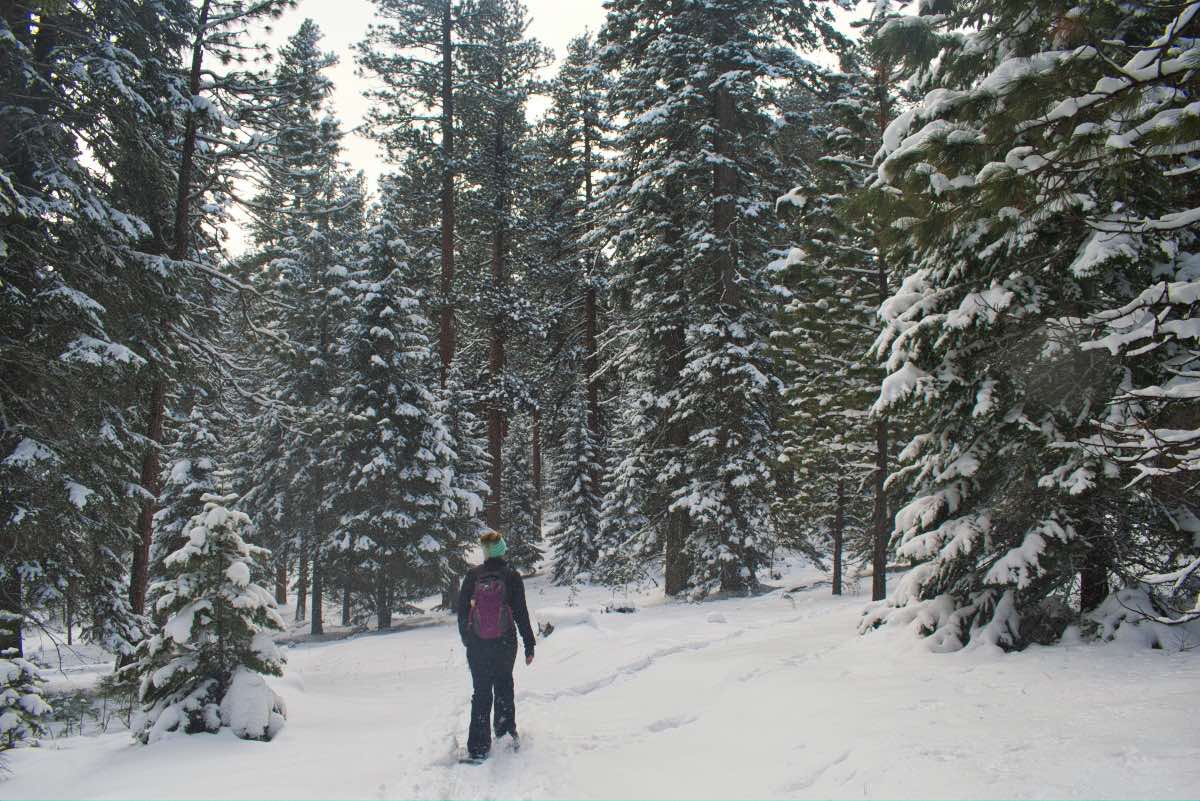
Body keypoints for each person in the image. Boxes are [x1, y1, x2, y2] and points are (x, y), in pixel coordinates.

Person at [457, 528, 535, 761]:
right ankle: (505, 736)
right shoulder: (511, 575)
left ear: (485, 552)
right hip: (505, 642)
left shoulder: (473, 575)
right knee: (503, 685)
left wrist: (468, 638)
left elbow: (462, 612)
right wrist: (529, 644)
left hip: (478, 644)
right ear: (502, 550)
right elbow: (520, 612)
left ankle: (478, 747)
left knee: (480, 691)